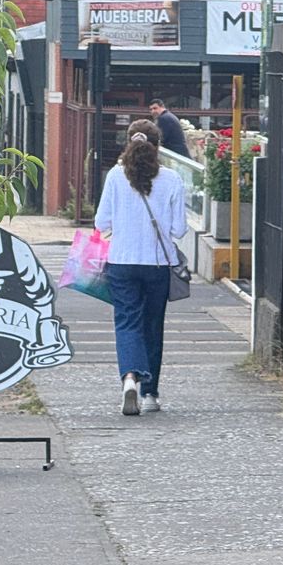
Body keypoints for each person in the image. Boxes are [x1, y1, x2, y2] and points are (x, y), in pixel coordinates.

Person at [95, 119, 187, 416]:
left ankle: (130, 379)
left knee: (127, 322)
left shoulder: (114, 176)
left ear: (128, 142)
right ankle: (150, 394)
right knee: (152, 325)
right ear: (158, 145)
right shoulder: (172, 179)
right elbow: (179, 229)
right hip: (158, 264)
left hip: (121, 261)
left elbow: (101, 223)